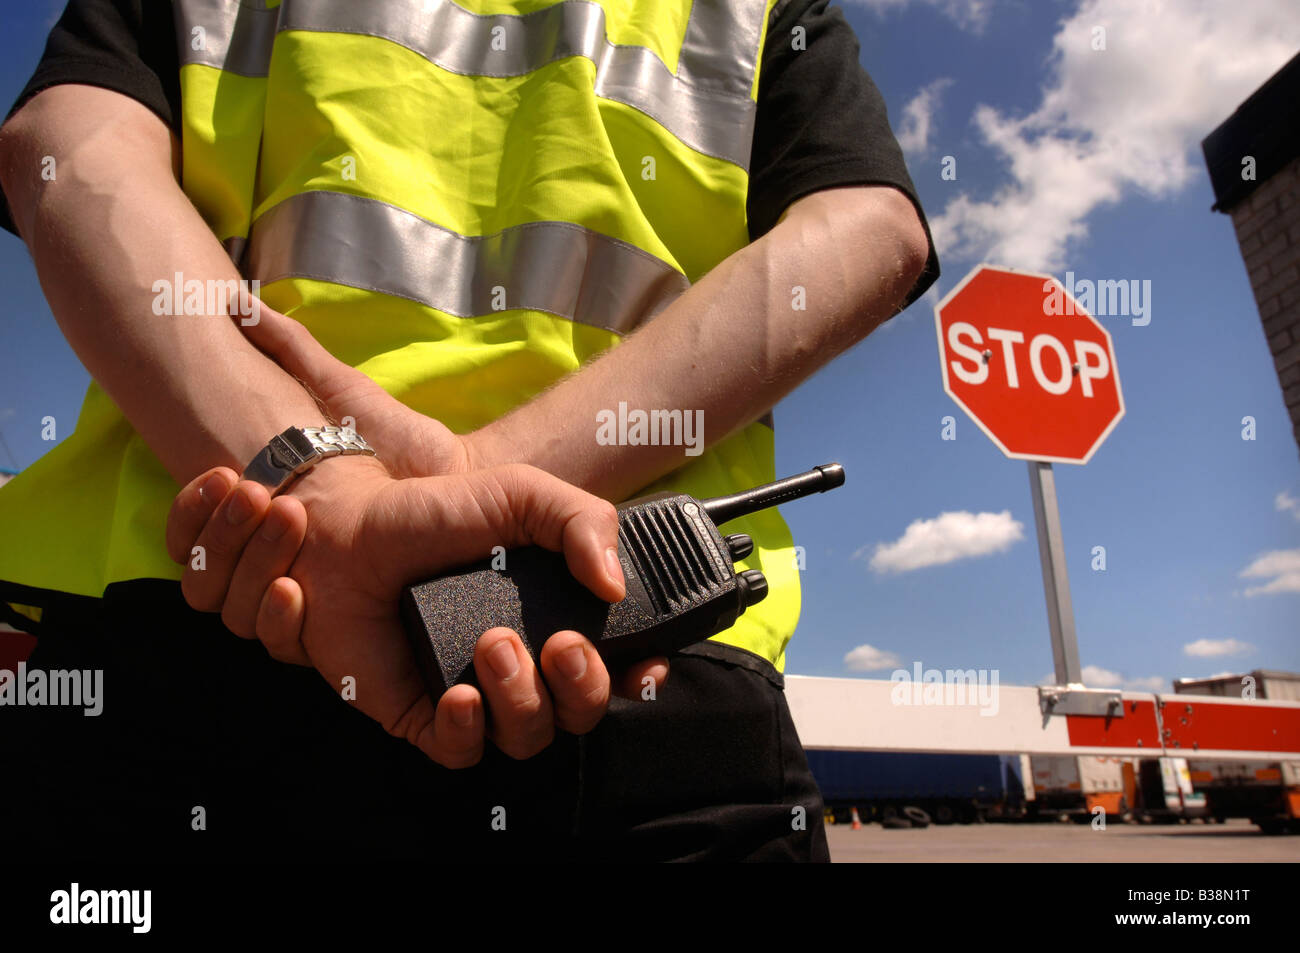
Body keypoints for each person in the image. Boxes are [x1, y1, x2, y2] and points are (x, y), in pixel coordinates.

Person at [0, 0, 938, 862]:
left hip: (220, 607)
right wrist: (472, 484)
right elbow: (864, 227)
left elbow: (74, 156)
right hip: (635, 663)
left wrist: (338, 490)